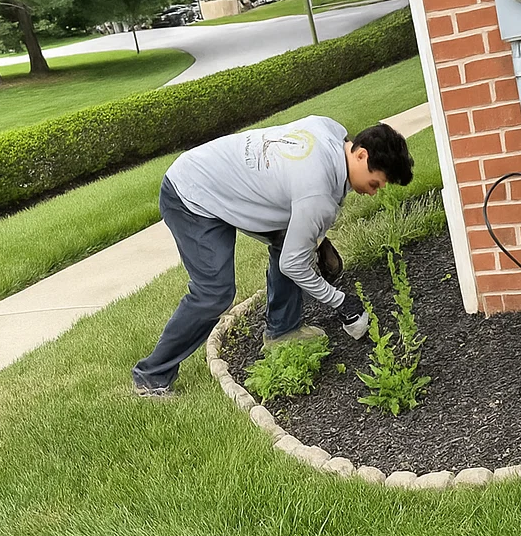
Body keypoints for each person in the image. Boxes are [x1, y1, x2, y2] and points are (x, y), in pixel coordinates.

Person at [132, 119, 413, 396]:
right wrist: (341, 302)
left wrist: (313, 238)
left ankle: (282, 331)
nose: (375, 192)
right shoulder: (317, 192)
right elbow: (293, 264)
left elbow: (296, 187)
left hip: (225, 181)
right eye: (376, 183)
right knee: (214, 293)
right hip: (191, 193)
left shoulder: (332, 131)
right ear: (361, 154)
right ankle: (152, 376)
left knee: (291, 242)